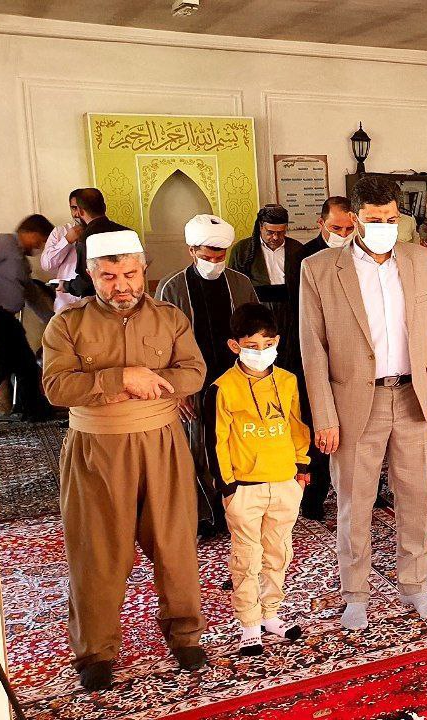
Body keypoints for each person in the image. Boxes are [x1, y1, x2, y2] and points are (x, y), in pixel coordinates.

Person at [40, 230, 208, 691]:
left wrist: (143, 380)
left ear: (143, 269)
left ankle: (185, 635)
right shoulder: (67, 325)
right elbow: (57, 387)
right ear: (91, 274)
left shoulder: (169, 318)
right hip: (96, 450)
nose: (122, 286)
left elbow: (194, 372)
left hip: (162, 445)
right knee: (97, 552)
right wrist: (122, 378)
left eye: (130, 274)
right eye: (109, 276)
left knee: (174, 544)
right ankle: (95, 651)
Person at [300, 175, 427, 625]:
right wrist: (324, 417)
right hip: (354, 404)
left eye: (390, 219)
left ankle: (415, 585)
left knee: (416, 498)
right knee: (354, 502)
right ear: (355, 218)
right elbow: (313, 349)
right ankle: (355, 593)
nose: (384, 227)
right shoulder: (319, 268)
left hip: (413, 398)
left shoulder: (419, 260)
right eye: (373, 219)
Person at [212, 302, 310, 656]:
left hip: (285, 483)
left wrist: (301, 468)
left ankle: (271, 615)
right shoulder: (223, 388)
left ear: (277, 342)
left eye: (267, 345)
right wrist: (227, 487)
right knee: (246, 558)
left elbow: (298, 426)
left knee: (278, 552)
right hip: (244, 489)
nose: (261, 352)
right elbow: (217, 441)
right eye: (251, 346)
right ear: (235, 345)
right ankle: (249, 624)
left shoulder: (288, 381)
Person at [155, 214, 259, 535]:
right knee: (197, 449)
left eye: (219, 257)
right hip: (192, 386)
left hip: (236, 381)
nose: (214, 263)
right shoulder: (171, 288)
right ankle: (203, 517)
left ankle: (238, 513)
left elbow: (258, 331)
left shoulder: (240, 284)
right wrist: (176, 391)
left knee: (239, 446)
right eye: (207, 257)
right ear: (191, 250)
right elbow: (159, 346)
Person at [291, 197, 354, 519]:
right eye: (335, 228)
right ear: (321, 224)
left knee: (355, 432)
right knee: (320, 429)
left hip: (351, 360)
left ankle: (359, 494)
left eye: (349, 229)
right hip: (314, 355)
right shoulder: (304, 259)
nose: (343, 235)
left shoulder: (360, 256)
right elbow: (299, 317)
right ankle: (314, 499)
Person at [0, 214, 53, 421]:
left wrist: (53, 321)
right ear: (31, 232)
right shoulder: (1, 242)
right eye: (40, 240)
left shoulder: (21, 261)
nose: (39, 246)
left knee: (26, 364)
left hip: (6, 319)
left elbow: (31, 294)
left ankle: (34, 411)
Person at [228, 204, 304, 372]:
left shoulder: (297, 249)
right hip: (257, 311)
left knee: (290, 357)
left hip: (290, 311)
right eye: (270, 232)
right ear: (260, 227)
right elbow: (235, 284)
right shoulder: (242, 250)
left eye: (281, 232)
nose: (275, 237)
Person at [61, 188, 131, 300]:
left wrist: (67, 286)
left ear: (81, 211)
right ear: (104, 207)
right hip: (128, 297)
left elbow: (86, 280)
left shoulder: (86, 238)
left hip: (100, 301)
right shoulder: (128, 233)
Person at [39, 189, 86, 312]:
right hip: (66, 302)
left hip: (95, 303)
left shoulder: (101, 233)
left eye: (82, 208)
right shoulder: (60, 232)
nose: (77, 213)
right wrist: (66, 241)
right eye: (74, 208)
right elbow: (47, 264)